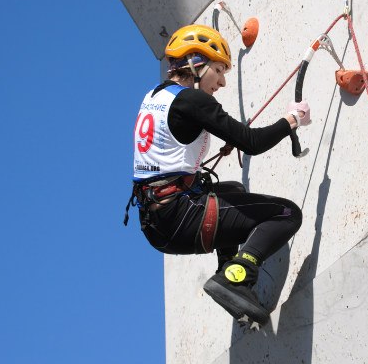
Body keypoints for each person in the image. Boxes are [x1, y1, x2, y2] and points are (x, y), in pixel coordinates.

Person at [128, 23, 310, 325]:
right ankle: (236, 277)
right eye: (218, 70)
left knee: (233, 191)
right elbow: (252, 142)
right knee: (287, 214)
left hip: (157, 222)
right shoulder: (192, 100)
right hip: (180, 216)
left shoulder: (157, 97)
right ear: (195, 64)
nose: (223, 81)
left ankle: (233, 280)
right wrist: (292, 120)